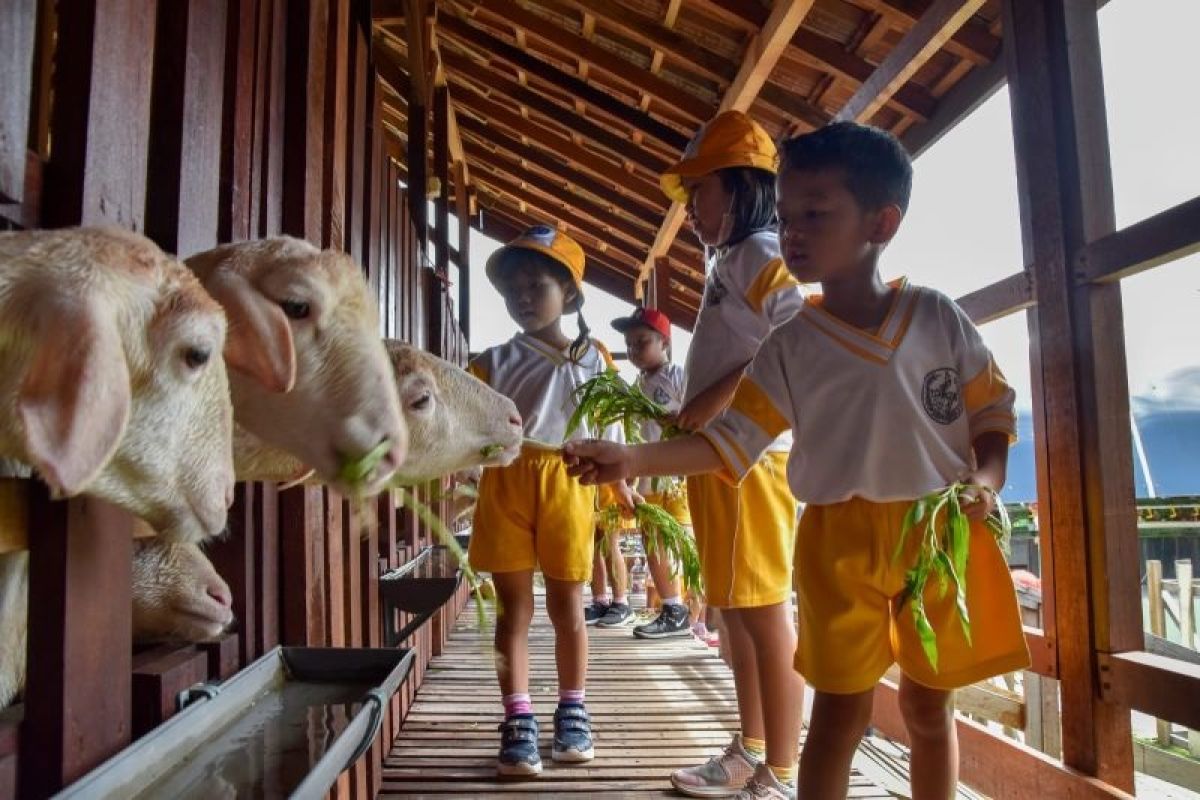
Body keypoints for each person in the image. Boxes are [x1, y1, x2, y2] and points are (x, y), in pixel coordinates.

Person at [564, 121, 1032, 799]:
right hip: (835, 543)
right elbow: (729, 445)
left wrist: (987, 481)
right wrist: (630, 458)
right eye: (787, 217)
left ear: (883, 222)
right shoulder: (788, 345)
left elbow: (993, 409)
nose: (794, 233)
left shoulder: (935, 317)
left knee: (931, 711)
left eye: (816, 214)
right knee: (838, 714)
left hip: (934, 535)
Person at [635, 110, 811, 799]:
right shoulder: (733, 260)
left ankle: (782, 770)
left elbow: (797, 327)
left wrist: (711, 397)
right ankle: (752, 747)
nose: (691, 207)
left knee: (763, 611)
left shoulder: (759, 253)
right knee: (735, 608)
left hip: (751, 457)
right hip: (722, 458)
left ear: (741, 187)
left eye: (699, 191)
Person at [467, 225, 634, 777]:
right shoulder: (490, 362)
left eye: (536, 285)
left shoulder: (596, 360)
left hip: (570, 480)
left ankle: (572, 709)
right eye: (513, 288)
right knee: (513, 609)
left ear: (570, 294)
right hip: (508, 482)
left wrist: (621, 482)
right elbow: (466, 427)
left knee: (569, 606)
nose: (522, 297)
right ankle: (517, 719)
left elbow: (612, 426)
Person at [610, 306, 696, 639]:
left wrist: (674, 421)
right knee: (655, 543)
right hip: (646, 481)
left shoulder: (677, 376)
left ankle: (695, 613)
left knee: (682, 544)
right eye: (629, 345)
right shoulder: (636, 385)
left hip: (676, 478)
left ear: (664, 343)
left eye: (641, 342)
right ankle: (673, 608)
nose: (633, 351)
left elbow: (695, 420)